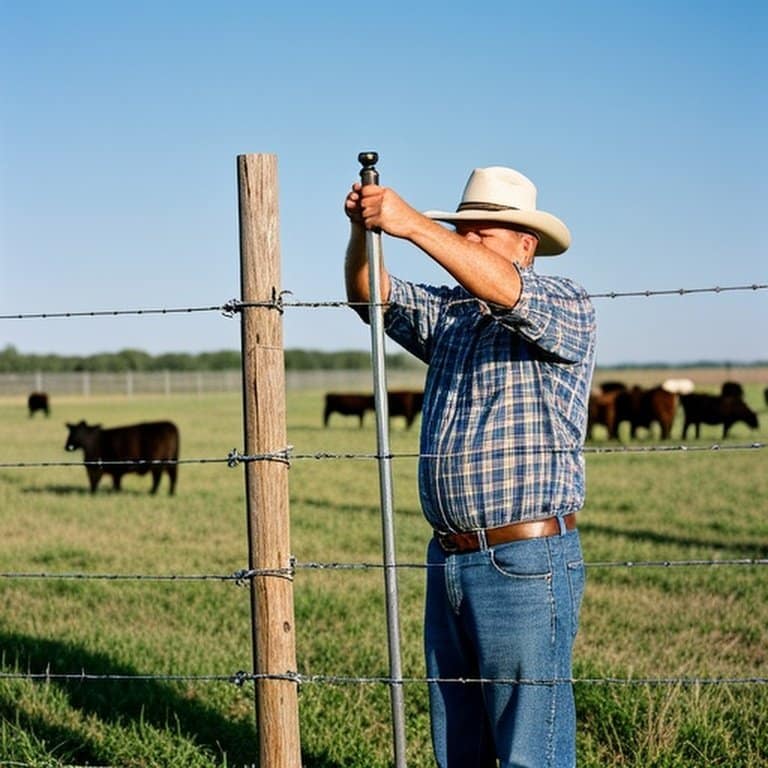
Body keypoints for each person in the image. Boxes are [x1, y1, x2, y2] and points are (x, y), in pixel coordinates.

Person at [344, 165, 596, 768]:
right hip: (450, 556)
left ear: (526, 245)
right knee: (461, 745)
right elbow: (371, 296)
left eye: (485, 231)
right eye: (466, 228)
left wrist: (412, 224)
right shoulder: (454, 316)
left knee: (527, 746)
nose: (470, 238)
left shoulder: (566, 304)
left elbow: (508, 291)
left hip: (524, 562)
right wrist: (363, 232)